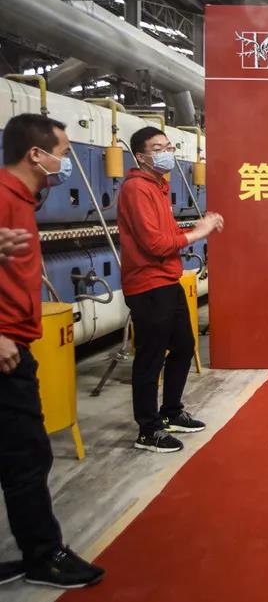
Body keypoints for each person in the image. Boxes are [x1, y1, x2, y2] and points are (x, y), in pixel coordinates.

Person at [0, 113, 104, 588]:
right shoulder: (3, 197)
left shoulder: (22, 199)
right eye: (63, 153)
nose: (66, 163)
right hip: (5, 350)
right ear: (35, 154)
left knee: (20, 454)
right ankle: (44, 556)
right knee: (27, 455)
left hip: (16, 341)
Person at [118, 127, 223, 453]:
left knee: (183, 345)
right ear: (141, 156)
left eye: (169, 146)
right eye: (157, 148)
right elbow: (155, 244)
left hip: (167, 280)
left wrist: (192, 230)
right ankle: (148, 429)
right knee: (150, 357)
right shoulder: (137, 189)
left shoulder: (158, 186)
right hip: (148, 284)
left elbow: (164, 235)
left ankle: (172, 412)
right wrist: (198, 233)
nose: (166, 153)